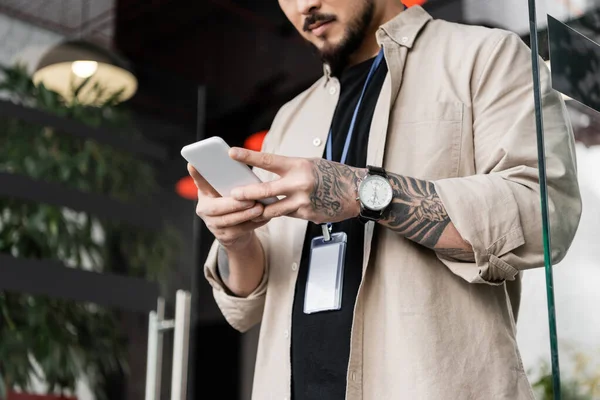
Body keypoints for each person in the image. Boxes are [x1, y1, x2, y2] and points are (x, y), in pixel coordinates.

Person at [188, 1, 582, 399]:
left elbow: (545, 214)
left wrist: (361, 192)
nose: (303, 5)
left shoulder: (485, 56)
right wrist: (234, 240)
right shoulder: (290, 117)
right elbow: (248, 303)